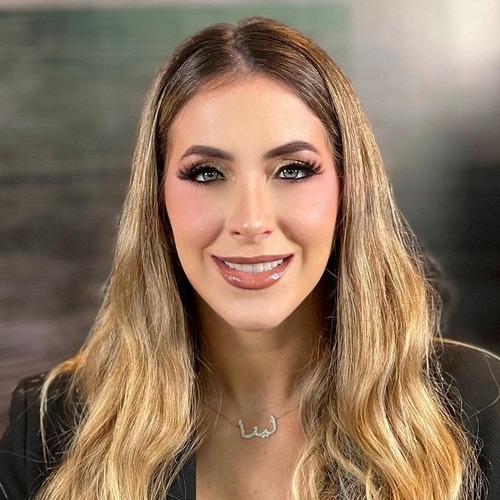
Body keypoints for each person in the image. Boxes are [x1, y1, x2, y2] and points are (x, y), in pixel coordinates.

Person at [0, 17, 499, 500]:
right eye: (207, 173)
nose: (251, 220)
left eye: (293, 170)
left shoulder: (479, 405)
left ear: (349, 190)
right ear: (156, 199)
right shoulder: (52, 427)